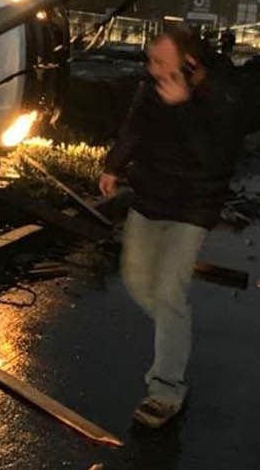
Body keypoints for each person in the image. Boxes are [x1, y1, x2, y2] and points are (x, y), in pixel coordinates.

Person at [99, 27, 242, 429]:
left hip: (193, 207)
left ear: (189, 62)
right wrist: (114, 165)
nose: (152, 68)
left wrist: (182, 108)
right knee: (138, 281)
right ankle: (174, 331)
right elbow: (135, 127)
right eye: (150, 60)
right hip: (150, 198)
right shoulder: (151, 86)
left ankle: (165, 390)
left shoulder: (221, 93)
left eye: (161, 61)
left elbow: (215, 158)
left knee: (168, 290)